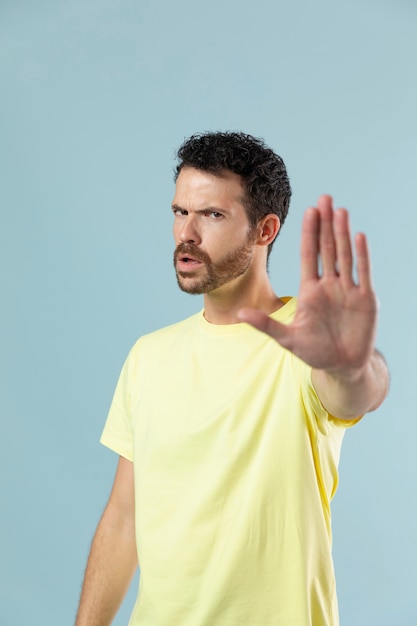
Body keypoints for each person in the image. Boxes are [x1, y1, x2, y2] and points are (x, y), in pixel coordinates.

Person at [75, 131, 389, 626]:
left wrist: (352, 365)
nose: (187, 234)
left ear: (265, 230)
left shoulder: (305, 344)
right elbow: (123, 518)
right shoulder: (148, 356)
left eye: (212, 215)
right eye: (180, 212)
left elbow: (358, 391)